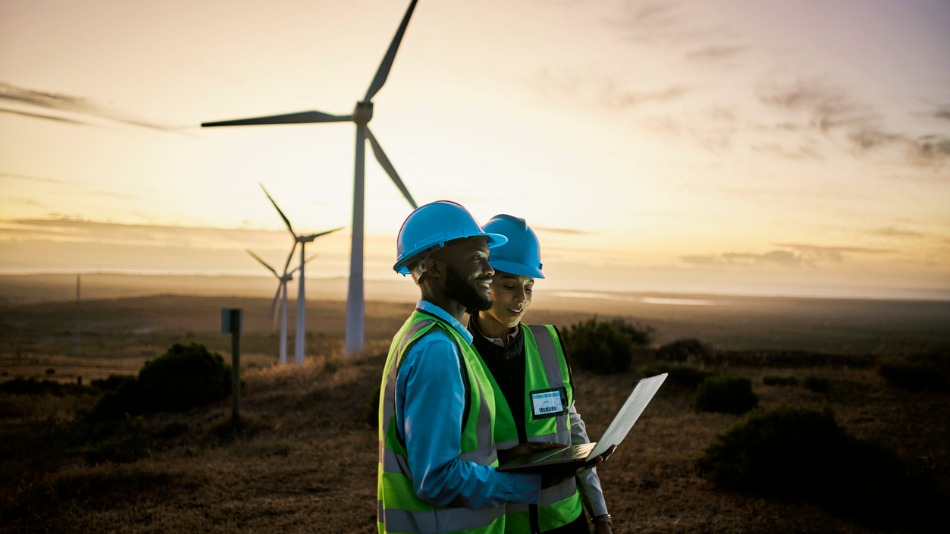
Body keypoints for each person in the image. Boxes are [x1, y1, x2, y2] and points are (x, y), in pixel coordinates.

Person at [377, 201, 583, 534]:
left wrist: (508, 454)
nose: (489, 270)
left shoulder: (437, 337)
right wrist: (524, 483)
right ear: (434, 268)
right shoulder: (437, 350)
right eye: (477, 258)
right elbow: (437, 478)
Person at [468, 214, 613, 534]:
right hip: (501, 526)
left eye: (529, 287)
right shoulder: (455, 355)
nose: (521, 298)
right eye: (509, 286)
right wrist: (507, 457)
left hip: (566, 522)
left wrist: (600, 513)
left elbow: (573, 430)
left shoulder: (548, 343)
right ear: (482, 281)